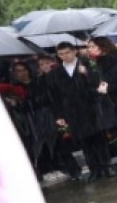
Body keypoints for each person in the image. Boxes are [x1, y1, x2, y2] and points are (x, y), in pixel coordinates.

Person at [43, 40, 104, 182]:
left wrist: (86, 73)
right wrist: (59, 115)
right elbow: (54, 97)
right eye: (61, 54)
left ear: (74, 51)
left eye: (67, 52)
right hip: (71, 111)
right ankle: (94, 168)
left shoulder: (86, 64)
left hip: (90, 107)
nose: (65, 56)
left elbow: (98, 83)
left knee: (98, 138)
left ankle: (105, 165)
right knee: (84, 141)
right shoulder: (54, 73)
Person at [86, 35, 117, 178]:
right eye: (89, 47)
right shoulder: (92, 65)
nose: (90, 49)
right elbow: (89, 86)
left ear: (102, 46)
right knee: (116, 136)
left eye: (93, 46)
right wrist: (97, 89)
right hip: (106, 106)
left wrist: (110, 87)